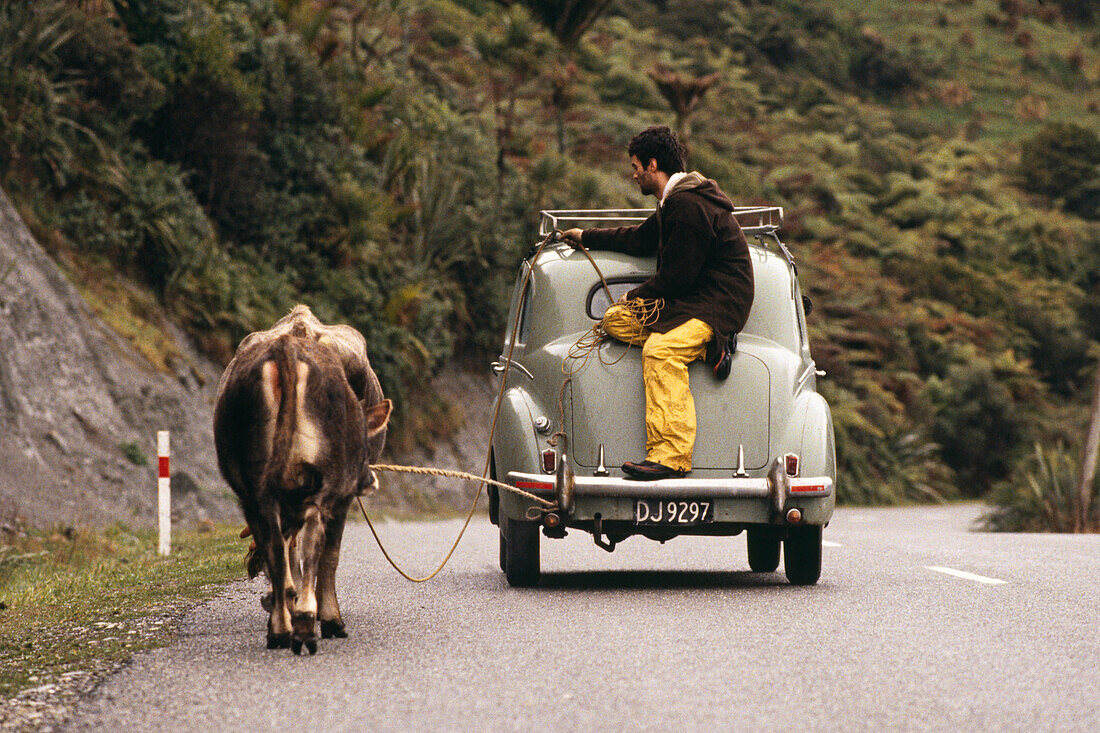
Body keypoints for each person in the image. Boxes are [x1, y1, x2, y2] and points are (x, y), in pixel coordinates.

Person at [561, 125, 754, 481]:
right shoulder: (673, 203)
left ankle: (671, 456)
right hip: (690, 300)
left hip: (717, 303)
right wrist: (585, 236)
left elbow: (677, 277)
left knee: (660, 351)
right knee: (614, 320)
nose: (633, 175)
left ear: (652, 165)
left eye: (636, 167)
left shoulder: (689, 205)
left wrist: (635, 296)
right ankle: (704, 347)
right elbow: (639, 239)